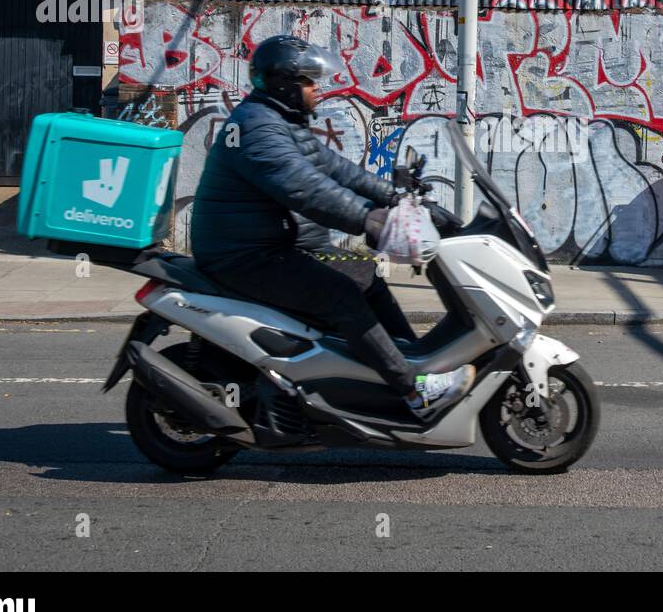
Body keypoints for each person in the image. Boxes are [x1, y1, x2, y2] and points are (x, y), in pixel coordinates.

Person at [190, 34, 475, 418]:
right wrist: (368, 218)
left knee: (365, 274)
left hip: (281, 247)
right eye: (309, 82)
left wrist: (396, 200)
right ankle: (413, 391)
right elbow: (306, 190)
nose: (317, 89)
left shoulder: (282, 121)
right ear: (285, 85)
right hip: (248, 256)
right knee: (341, 295)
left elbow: (337, 170)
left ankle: (408, 363)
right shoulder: (258, 129)